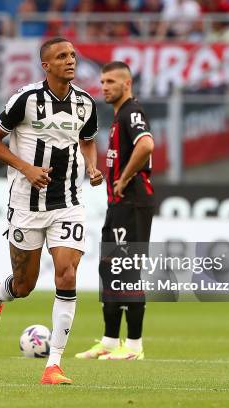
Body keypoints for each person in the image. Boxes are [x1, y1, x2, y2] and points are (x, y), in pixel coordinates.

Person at [0, 37, 102, 385]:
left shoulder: (85, 103)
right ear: (45, 65)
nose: (70, 61)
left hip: (68, 202)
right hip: (25, 203)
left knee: (66, 273)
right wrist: (26, 168)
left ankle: (54, 365)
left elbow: (88, 139)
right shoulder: (25, 99)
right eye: (61, 56)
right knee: (25, 283)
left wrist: (91, 167)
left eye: (73, 55)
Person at [75, 61, 154, 361]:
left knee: (127, 272)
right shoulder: (120, 116)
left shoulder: (131, 112)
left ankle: (133, 346)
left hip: (133, 204)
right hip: (119, 204)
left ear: (127, 84)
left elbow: (146, 145)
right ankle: (109, 341)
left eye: (110, 81)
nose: (104, 86)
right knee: (110, 269)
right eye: (103, 81)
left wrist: (124, 177)